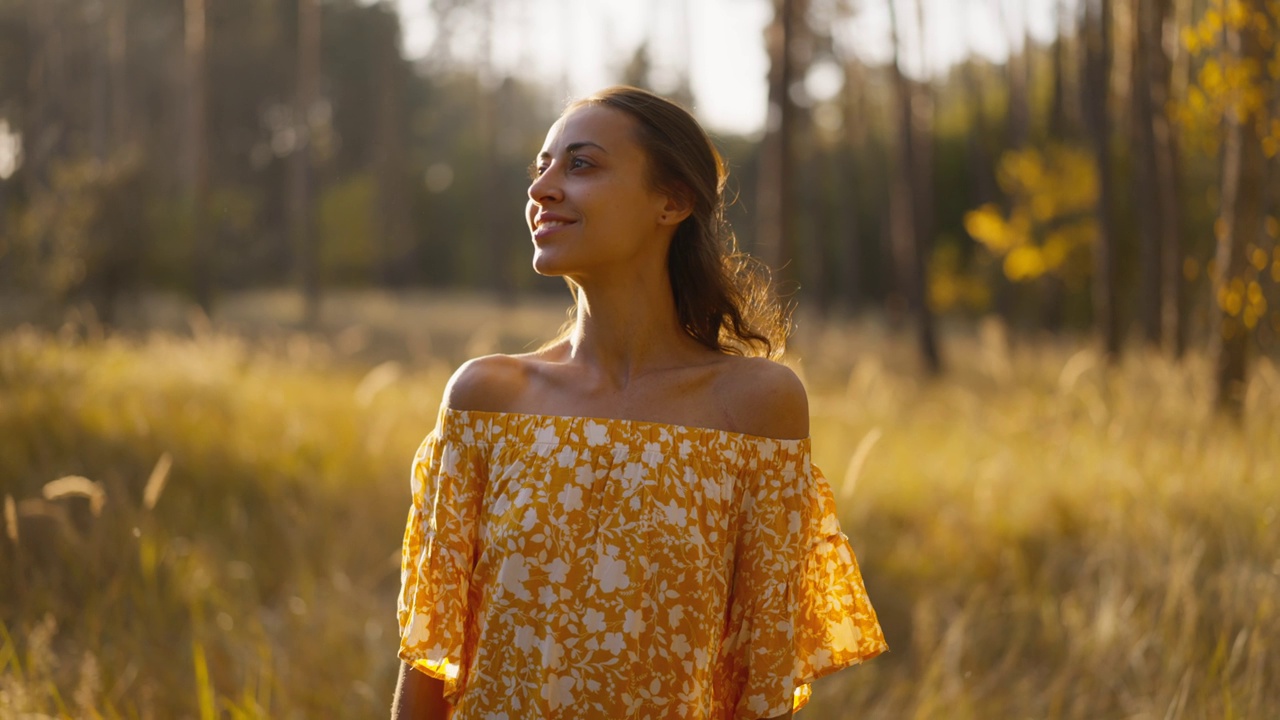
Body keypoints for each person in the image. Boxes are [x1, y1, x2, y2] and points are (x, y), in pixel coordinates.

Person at [391, 86, 886, 720]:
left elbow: (762, 683)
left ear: (672, 201)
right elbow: (430, 661)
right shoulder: (487, 401)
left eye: (581, 164)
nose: (542, 189)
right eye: (541, 166)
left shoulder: (758, 408)